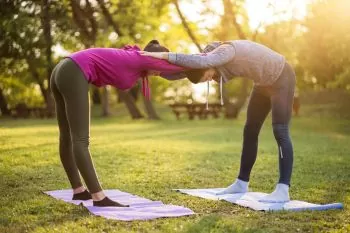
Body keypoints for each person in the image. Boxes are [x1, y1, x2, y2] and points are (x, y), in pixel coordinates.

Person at [141, 40, 296, 202]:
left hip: (281, 78)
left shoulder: (226, 51)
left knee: (280, 131)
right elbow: (184, 70)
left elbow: (202, 62)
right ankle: (241, 183)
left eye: (207, 77)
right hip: (262, 85)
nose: (210, 79)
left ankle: (283, 190)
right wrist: (154, 69)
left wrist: (163, 55)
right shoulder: (206, 64)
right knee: (250, 131)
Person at [50, 40, 186, 207]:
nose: (161, 70)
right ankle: (99, 198)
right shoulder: (142, 58)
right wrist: (210, 60)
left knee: (67, 138)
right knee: (80, 139)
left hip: (63, 68)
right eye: (161, 63)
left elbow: (175, 73)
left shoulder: (137, 62)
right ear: (155, 58)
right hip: (74, 71)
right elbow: (182, 65)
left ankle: (79, 191)